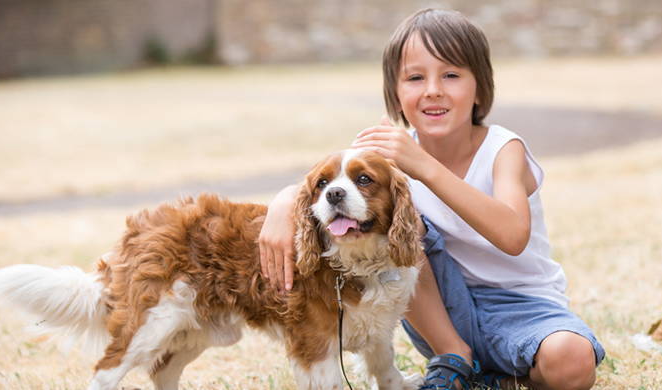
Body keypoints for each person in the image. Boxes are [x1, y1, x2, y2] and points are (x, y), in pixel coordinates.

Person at [259, 8, 605, 390]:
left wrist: (422, 165)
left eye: (452, 75)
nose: (433, 90)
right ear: (395, 90)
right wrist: (286, 200)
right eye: (415, 77)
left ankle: (497, 378)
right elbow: (332, 184)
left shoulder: (503, 149)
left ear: (480, 86)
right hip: (439, 313)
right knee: (409, 229)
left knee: (572, 363)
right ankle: (454, 357)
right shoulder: (387, 154)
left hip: (522, 306)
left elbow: (513, 235)